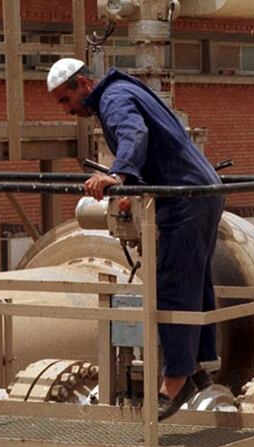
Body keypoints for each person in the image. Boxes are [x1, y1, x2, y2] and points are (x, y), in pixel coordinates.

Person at [47, 58, 222, 420]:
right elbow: (157, 143)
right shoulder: (125, 89)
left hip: (185, 198)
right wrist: (134, 190)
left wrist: (119, 175)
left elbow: (134, 134)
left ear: (83, 84)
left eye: (66, 100)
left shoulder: (112, 99)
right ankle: (200, 366)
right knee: (196, 280)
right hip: (201, 190)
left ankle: (173, 382)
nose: (67, 111)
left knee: (172, 285)